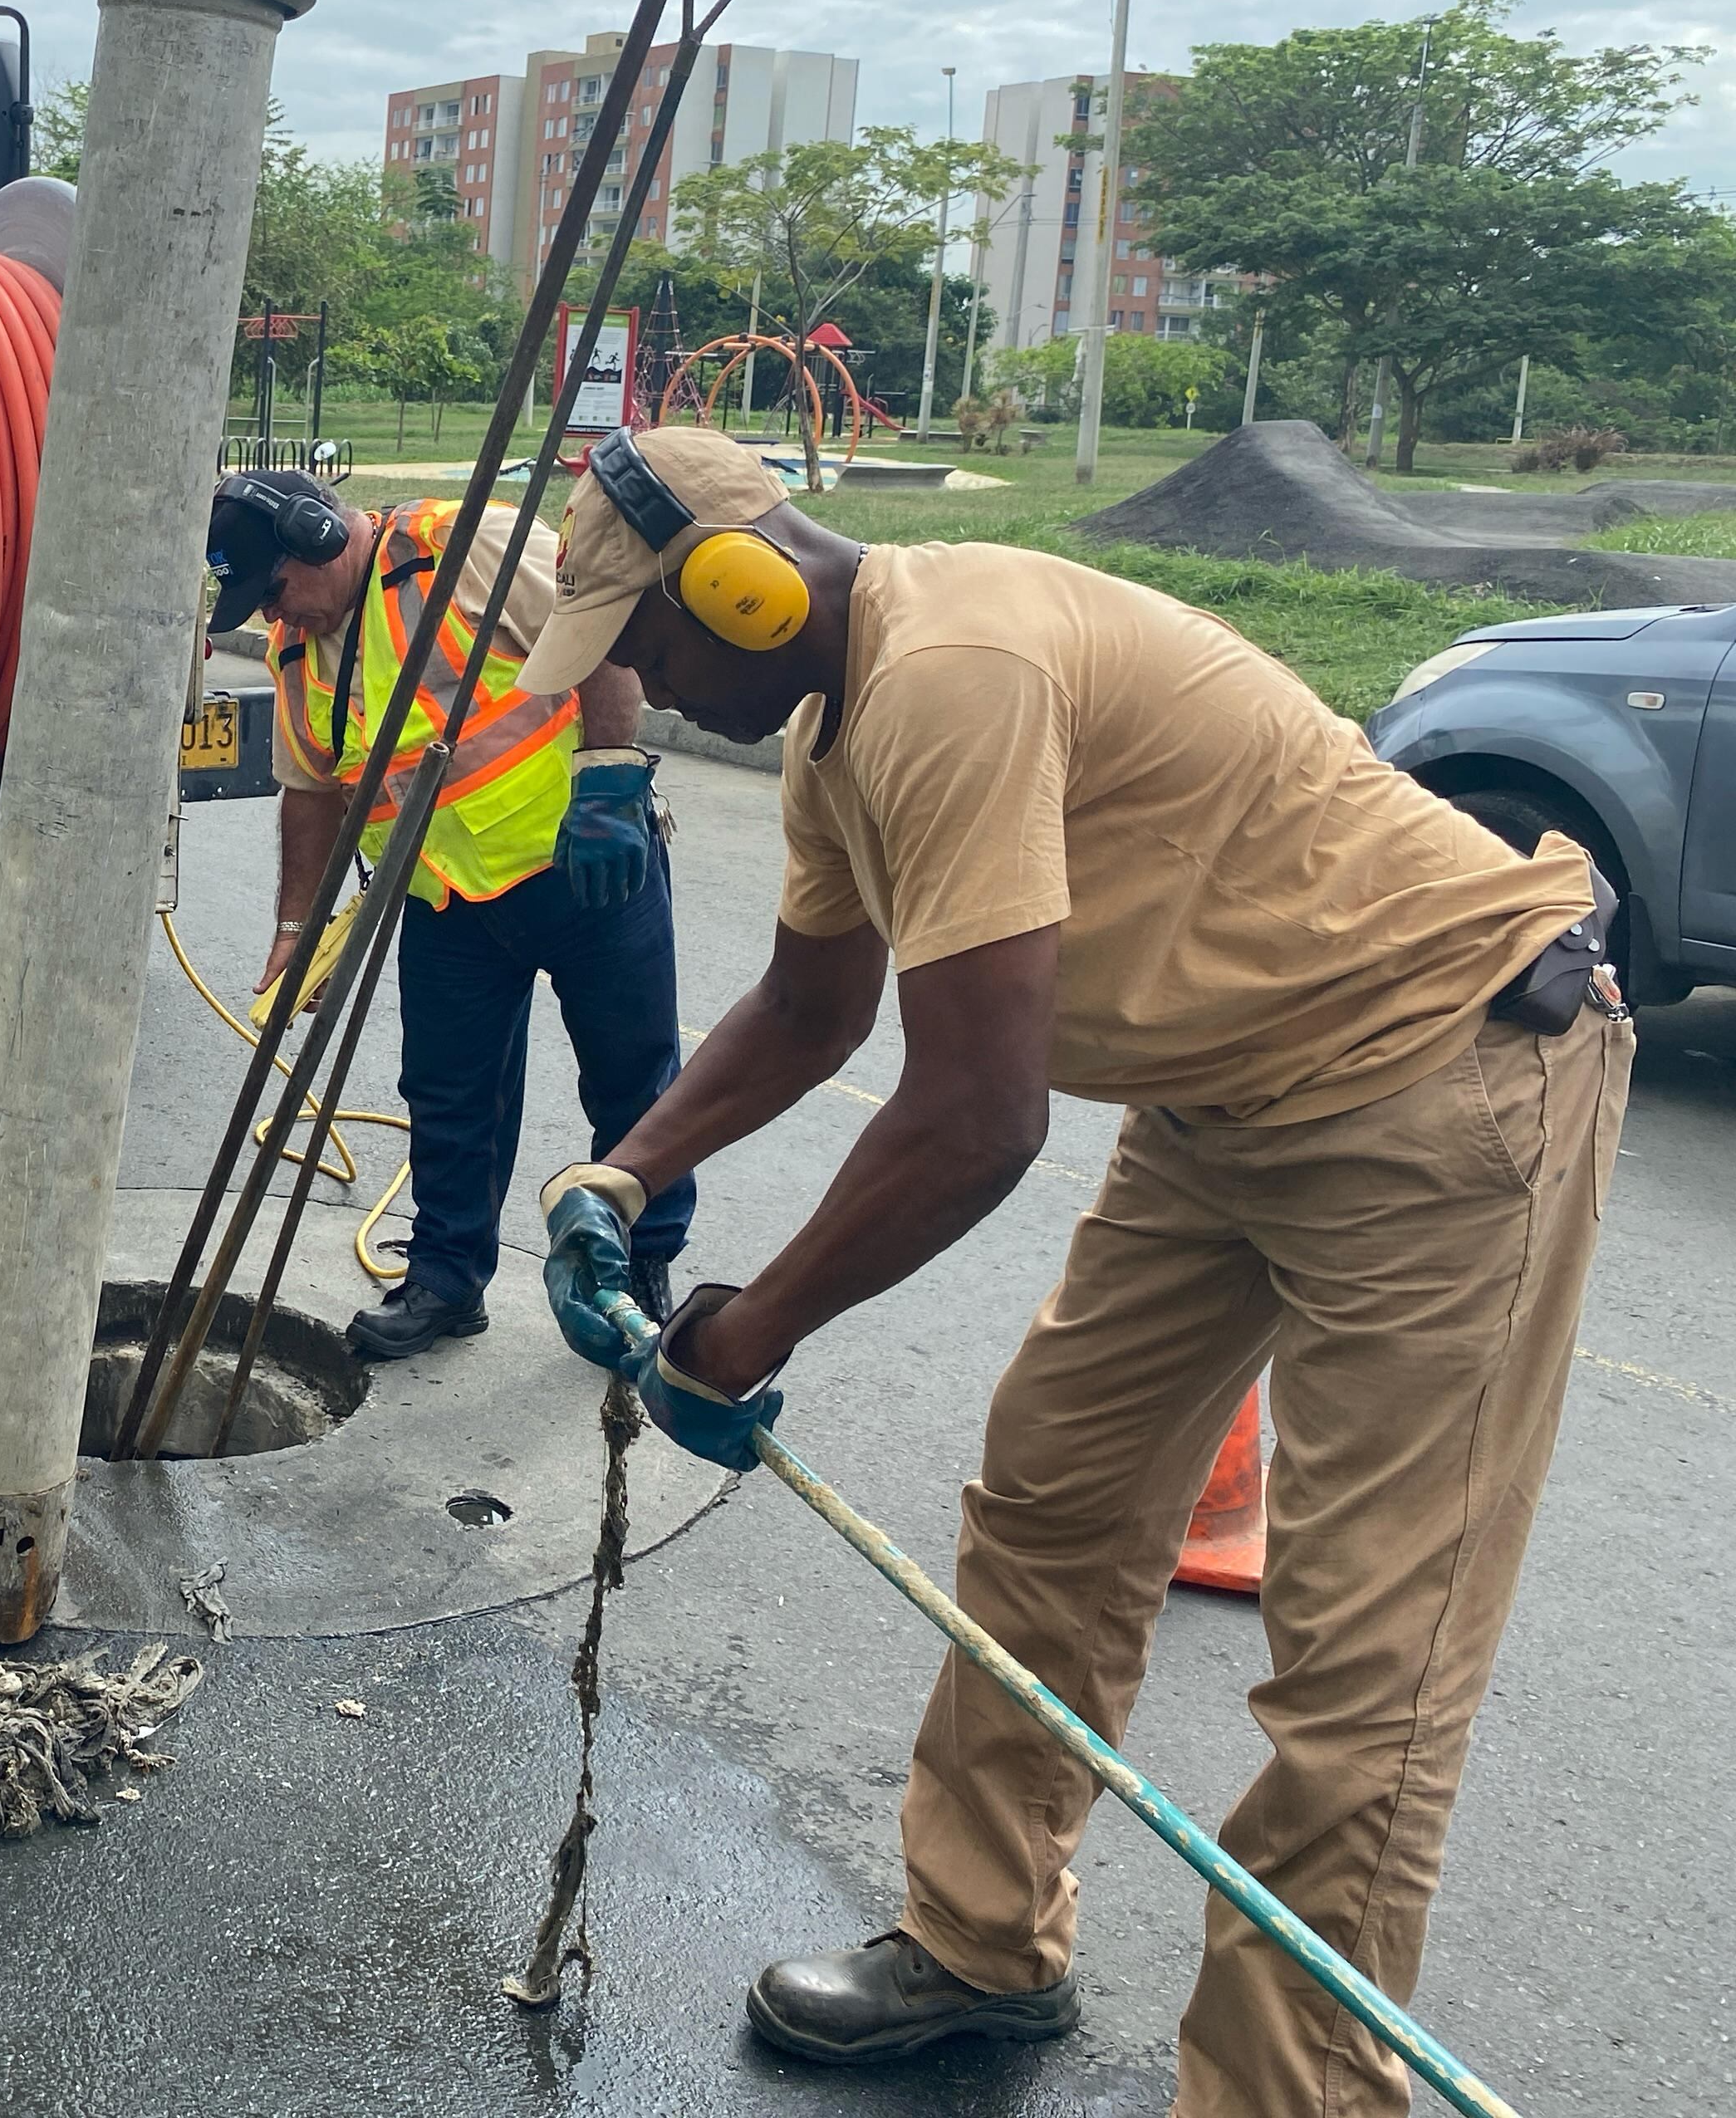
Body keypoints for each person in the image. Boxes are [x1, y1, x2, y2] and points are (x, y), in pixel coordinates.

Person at [522, 424, 1630, 2115]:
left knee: (1364, 1663)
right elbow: (811, 1011)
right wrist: (622, 1168)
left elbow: (976, 1119)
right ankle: (978, 1940)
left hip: (1439, 1082)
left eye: (648, 644)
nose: (647, 688)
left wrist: (742, 1335)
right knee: (1055, 1504)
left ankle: (1284, 2099)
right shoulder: (837, 733)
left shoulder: (955, 671)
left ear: (742, 588)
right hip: (1218, 1099)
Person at [204, 466, 692, 1360]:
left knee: (633, 1080)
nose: (274, 615)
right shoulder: (298, 655)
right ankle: (446, 1278)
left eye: (274, 590)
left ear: (318, 535)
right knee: (448, 1095)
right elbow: (309, 792)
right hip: (448, 901)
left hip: (583, 864)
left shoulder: (462, 549)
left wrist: (612, 779)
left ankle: (643, 1264)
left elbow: (603, 631)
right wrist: (295, 932)